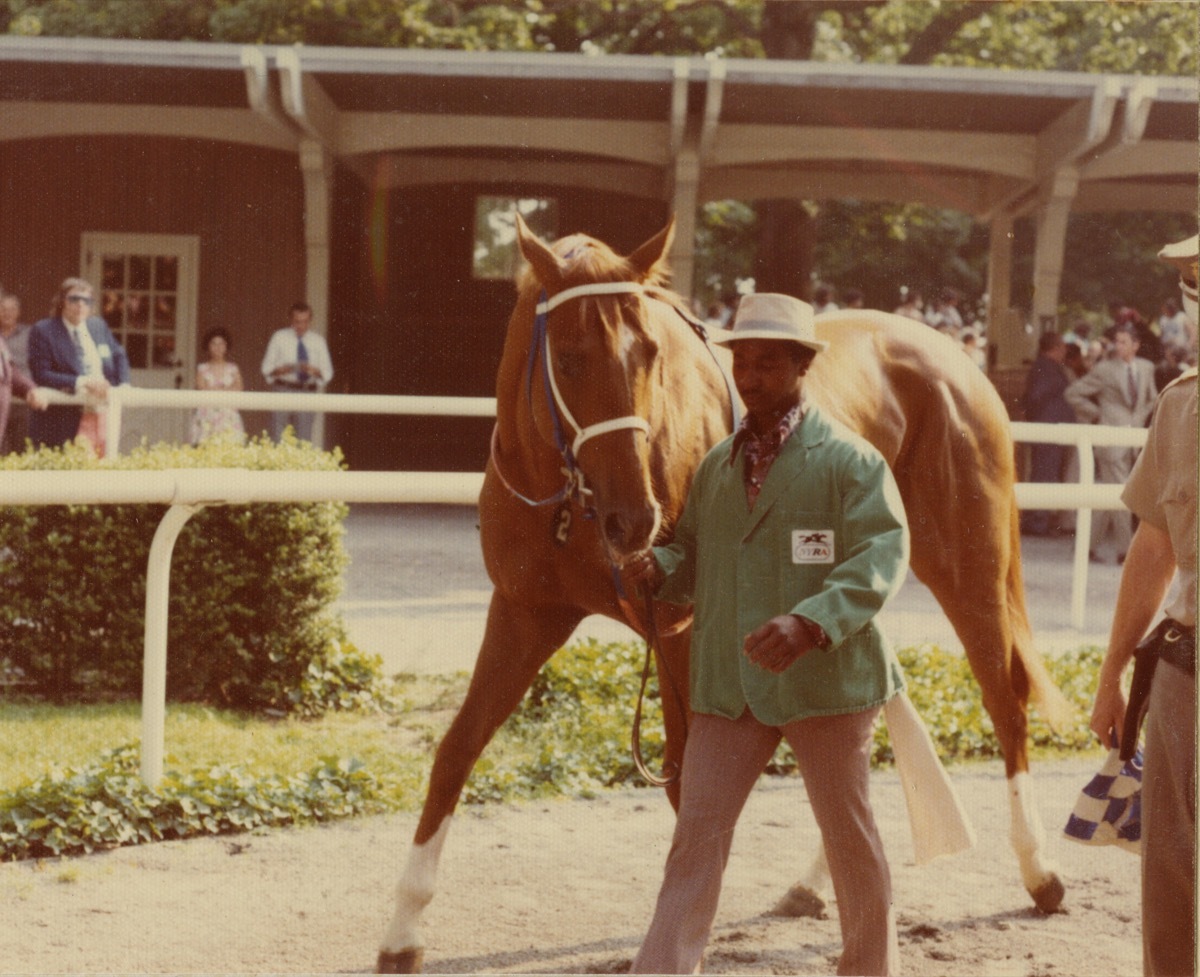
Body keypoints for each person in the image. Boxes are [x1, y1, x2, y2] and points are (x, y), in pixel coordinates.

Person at [621, 293, 909, 976]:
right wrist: (658, 567)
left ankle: (872, 968)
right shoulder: (719, 466)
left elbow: (881, 555)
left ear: (803, 365)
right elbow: (693, 553)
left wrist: (812, 621)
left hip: (829, 683)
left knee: (850, 842)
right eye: (742, 363)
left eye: (768, 363)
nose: (750, 377)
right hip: (729, 684)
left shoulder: (851, 462)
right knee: (695, 837)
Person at [1088, 234, 1196, 977]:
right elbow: (1154, 549)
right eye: (1196, 289)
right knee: (1170, 867)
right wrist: (1112, 672)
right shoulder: (1183, 405)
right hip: (1188, 668)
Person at [1065, 322, 1156, 564]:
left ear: (1136, 345)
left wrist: (1137, 418)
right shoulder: (1105, 369)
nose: (1118, 346)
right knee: (1122, 494)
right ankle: (1126, 552)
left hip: (1134, 441)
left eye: (1124, 342)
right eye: (1116, 341)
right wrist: (1097, 414)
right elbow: (1073, 392)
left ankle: (1084, 547)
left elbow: (1152, 398)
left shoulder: (1146, 368)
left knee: (1109, 496)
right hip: (1111, 441)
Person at [28, 277, 131, 456]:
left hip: (103, 414)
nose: (80, 305)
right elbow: (41, 374)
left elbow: (118, 355)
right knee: (72, 477)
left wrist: (124, 385)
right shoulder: (44, 330)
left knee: (104, 470)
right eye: (74, 299)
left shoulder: (97, 326)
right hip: (66, 419)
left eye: (86, 300)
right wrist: (82, 382)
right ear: (62, 301)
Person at [1019, 332, 1076, 537]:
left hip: (1050, 425)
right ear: (1054, 348)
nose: (1064, 351)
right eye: (1062, 347)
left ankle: (1037, 519)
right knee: (1044, 473)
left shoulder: (1045, 366)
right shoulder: (1046, 368)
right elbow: (1036, 395)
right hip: (1048, 426)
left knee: (1044, 472)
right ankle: (1037, 522)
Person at [260, 301, 333, 444]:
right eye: (297, 321)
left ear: (310, 321)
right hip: (283, 389)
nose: (301, 326)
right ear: (291, 320)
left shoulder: (318, 341)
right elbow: (266, 368)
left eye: (305, 322)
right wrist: (281, 370)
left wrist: (312, 370)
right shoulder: (279, 337)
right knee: (277, 436)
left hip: (307, 391)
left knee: (304, 439)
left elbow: (327, 373)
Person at [190, 327, 246, 444]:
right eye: (214, 344)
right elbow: (201, 388)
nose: (218, 347)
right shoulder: (202, 368)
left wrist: (214, 389)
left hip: (228, 413)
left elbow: (239, 388)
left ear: (226, 346)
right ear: (208, 346)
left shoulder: (233, 368)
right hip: (207, 413)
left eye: (221, 344)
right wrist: (225, 389)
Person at [0, 292, 33, 453]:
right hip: (2, 398)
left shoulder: (30, 334)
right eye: (3, 309)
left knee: (21, 448)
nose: (7, 313)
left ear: (18, 312)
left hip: (23, 400)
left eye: (12, 309)